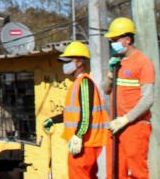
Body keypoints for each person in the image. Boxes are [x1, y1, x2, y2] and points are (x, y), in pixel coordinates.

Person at [42, 42, 109, 178]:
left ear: (79, 63)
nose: (64, 65)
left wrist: (78, 136)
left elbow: (86, 114)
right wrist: (53, 120)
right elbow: (72, 113)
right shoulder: (77, 84)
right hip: (84, 141)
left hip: (86, 142)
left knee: (78, 174)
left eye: (68, 61)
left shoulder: (84, 83)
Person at [103, 17, 155, 179]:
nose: (112, 43)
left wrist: (125, 119)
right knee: (115, 172)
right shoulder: (116, 62)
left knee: (138, 173)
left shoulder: (143, 62)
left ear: (128, 39)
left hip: (135, 126)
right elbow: (106, 89)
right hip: (115, 126)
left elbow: (147, 99)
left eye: (115, 39)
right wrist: (111, 74)